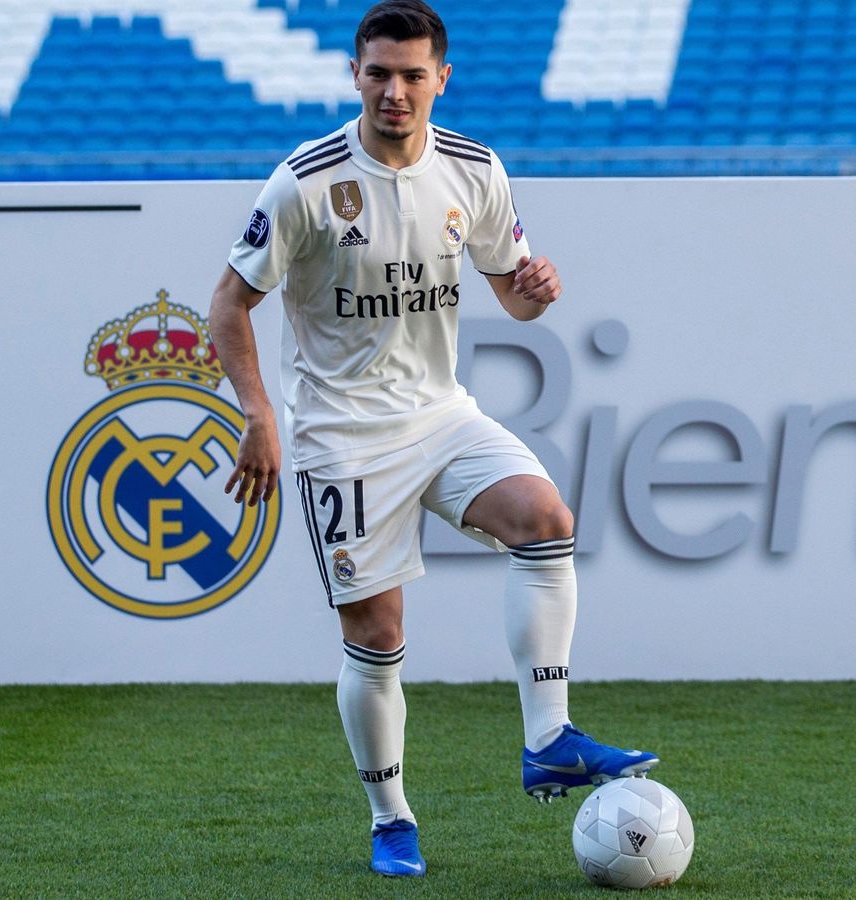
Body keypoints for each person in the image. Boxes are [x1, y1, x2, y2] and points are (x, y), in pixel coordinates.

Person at [206, 0, 658, 878]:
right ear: (355, 77)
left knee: (543, 515)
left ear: (440, 79)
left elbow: (515, 297)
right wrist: (260, 414)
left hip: (440, 411)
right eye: (379, 73)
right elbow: (229, 302)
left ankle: (550, 737)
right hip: (342, 437)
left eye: (414, 75)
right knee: (377, 635)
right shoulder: (304, 183)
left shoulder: (474, 169)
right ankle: (390, 819)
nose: (396, 91)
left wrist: (536, 288)